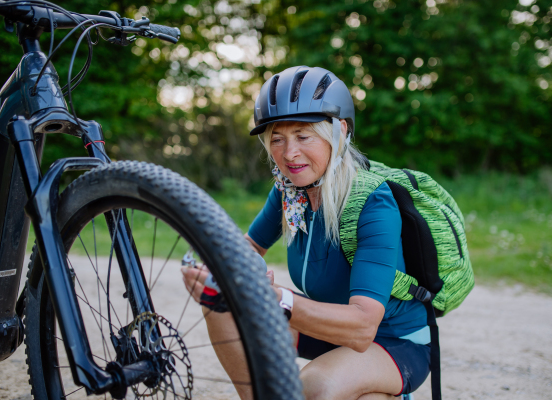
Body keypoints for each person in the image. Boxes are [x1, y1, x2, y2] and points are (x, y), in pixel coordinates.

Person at [182, 66, 431, 400]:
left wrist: (277, 298)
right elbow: (246, 249)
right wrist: (216, 272)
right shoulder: (289, 192)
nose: (289, 154)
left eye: (303, 136)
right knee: (222, 303)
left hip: (392, 341)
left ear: (338, 131)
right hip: (327, 331)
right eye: (277, 139)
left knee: (313, 388)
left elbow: (361, 328)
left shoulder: (374, 203)